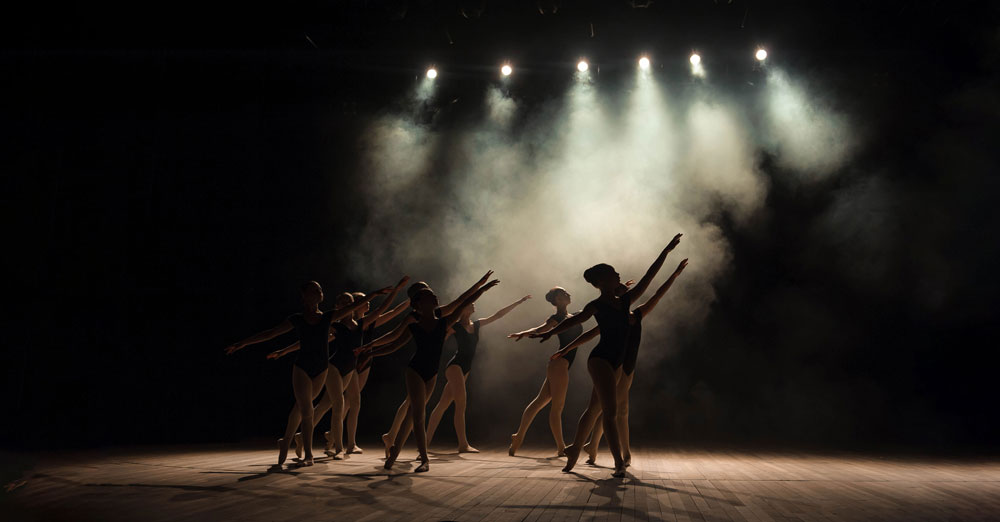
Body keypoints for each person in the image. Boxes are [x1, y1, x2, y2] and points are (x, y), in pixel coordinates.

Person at [532, 234, 682, 477]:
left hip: (617, 362)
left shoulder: (625, 303)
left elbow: (649, 278)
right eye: (614, 273)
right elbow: (576, 321)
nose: (619, 275)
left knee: (594, 408)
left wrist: (666, 251)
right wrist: (551, 333)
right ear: (602, 281)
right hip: (600, 360)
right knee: (609, 413)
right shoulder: (596, 305)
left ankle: (574, 450)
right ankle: (618, 463)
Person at [225, 281, 390, 467]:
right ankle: (308, 453)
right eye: (314, 290)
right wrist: (243, 343)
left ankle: (286, 441)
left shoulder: (328, 317)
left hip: (321, 369)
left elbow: (354, 306)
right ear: (304, 296)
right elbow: (270, 333)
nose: (319, 292)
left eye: (320, 289)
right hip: (302, 367)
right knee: (306, 410)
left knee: (303, 409)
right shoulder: (297, 319)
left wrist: (375, 294)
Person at [367, 279, 500, 472]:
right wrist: (370, 349)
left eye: (433, 294)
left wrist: (482, 287)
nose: (435, 296)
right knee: (419, 415)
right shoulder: (413, 321)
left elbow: (462, 301)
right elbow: (394, 341)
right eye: (429, 294)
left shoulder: (444, 320)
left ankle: (394, 453)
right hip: (415, 370)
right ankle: (424, 459)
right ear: (419, 302)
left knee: (412, 416)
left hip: (432, 373)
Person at [269, 277, 409, 458]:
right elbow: (310, 341)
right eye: (342, 303)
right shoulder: (334, 325)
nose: (346, 306)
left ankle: (314, 439)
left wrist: (397, 291)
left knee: (342, 403)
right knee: (334, 404)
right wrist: (284, 350)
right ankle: (335, 447)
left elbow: (384, 309)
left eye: (349, 302)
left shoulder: (361, 324)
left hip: (351, 368)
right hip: (334, 367)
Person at [424, 295, 532, 452]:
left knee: (443, 404)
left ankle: (426, 444)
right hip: (455, 367)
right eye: (470, 303)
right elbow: (439, 340)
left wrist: (518, 301)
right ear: (463, 309)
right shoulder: (455, 326)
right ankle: (462, 444)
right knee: (461, 404)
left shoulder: (477, 324)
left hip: (465, 368)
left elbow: (498, 315)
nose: (474, 304)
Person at [506, 287, 585, 457]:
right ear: (557, 300)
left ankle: (518, 437)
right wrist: (523, 333)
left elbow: (598, 306)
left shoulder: (575, 316)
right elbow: (541, 329)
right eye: (563, 293)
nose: (568, 294)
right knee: (557, 407)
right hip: (559, 364)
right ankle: (561, 447)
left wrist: (619, 293)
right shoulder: (556, 318)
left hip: (560, 364)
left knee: (539, 402)